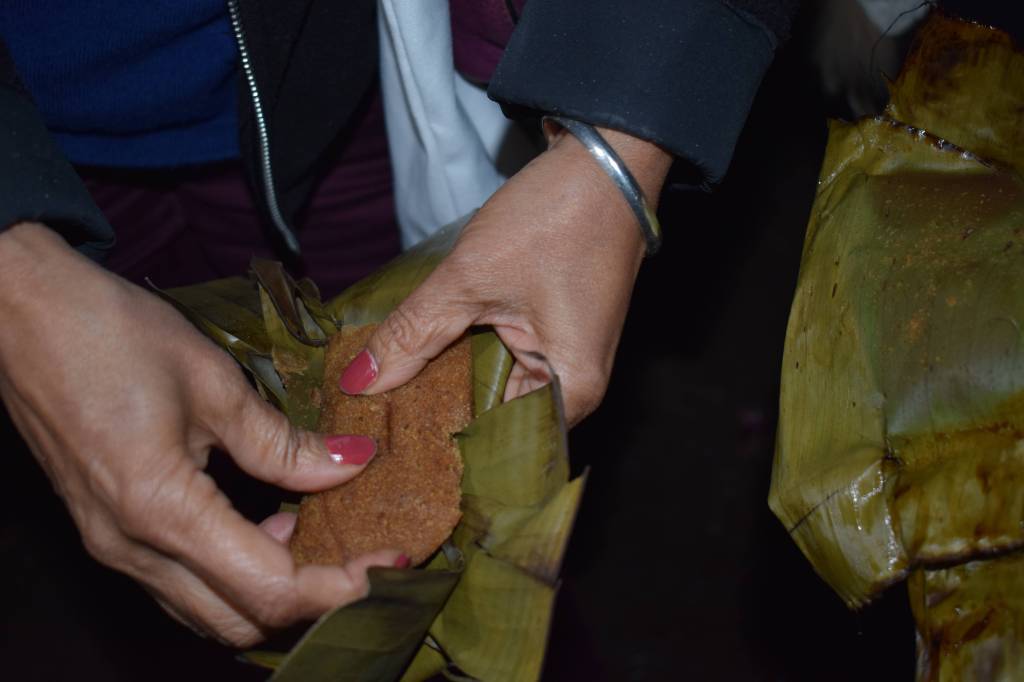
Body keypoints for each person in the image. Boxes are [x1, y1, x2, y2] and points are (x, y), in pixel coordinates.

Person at [0, 0, 798, 648]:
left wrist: (617, 147)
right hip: (41, 143)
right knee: (196, 526)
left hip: (344, 90)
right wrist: (17, 276)